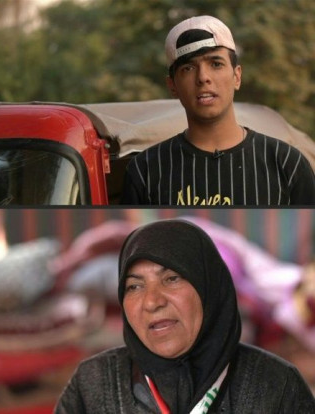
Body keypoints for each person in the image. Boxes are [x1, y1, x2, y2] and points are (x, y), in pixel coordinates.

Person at [54, 219, 315, 413]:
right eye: (134, 286)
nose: (152, 302)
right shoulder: (93, 382)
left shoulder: (278, 385)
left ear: (211, 289)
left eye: (172, 278)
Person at [121, 16, 315, 205]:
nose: (203, 77)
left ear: (236, 76)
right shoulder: (145, 170)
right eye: (188, 68)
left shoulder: (287, 164)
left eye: (216, 64)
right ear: (172, 86)